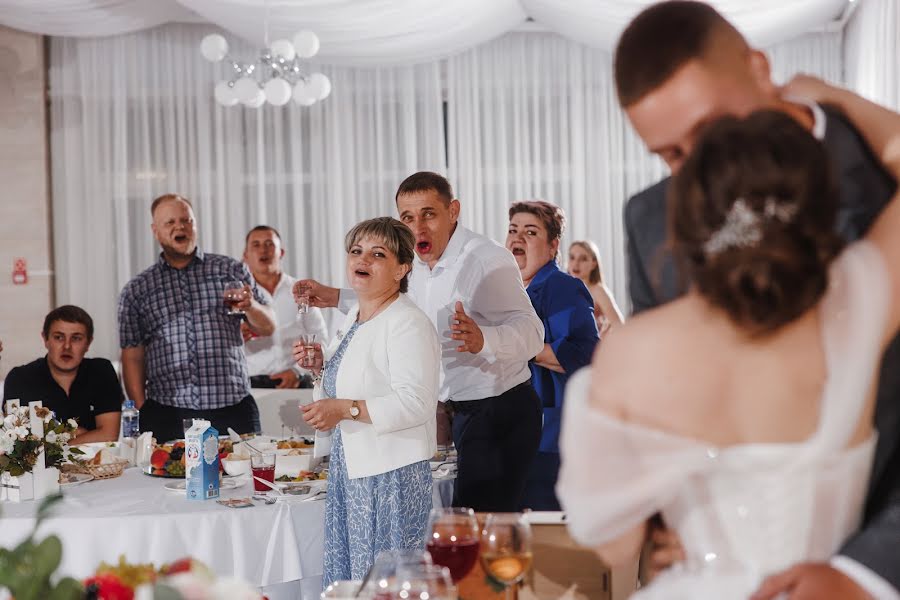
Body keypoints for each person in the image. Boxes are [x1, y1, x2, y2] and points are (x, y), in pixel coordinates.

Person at [559, 88, 900, 598]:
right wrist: (831, 99)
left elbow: (614, 543)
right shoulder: (859, 299)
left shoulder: (630, 355)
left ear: (685, 217)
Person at [295, 172, 545, 512]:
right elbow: (399, 301)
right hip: (447, 412)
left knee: (482, 532)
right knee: (450, 523)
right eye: (407, 217)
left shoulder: (487, 260)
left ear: (453, 211)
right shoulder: (412, 262)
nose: (418, 228)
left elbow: (533, 332)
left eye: (429, 214)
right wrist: (334, 297)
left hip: (498, 409)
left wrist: (484, 338)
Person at [293, 217, 440, 586]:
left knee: (385, 583)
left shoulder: (407, 322)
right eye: (356, 251)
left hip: (391, 474)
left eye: (378, 254)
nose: (363, 260)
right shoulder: (356, 316)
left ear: (402, 268)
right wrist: (320, 370)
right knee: (354, 578)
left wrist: (345, 409)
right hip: (354, 467)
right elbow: (354, 380)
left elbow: (416, 403)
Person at [117, 194, 276, 443]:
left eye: (186, 220)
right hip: (168, 413)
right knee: (164, 481)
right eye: (170, 222)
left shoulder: (231, 270)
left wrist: (252, 306)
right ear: (155, 231)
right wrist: (142, 408)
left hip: (233, 407)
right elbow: (132, 355)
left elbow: (268, 326)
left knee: (247, 479)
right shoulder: (137, 289)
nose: (180, 227)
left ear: (195, 225)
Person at [506, 201, 599, 511]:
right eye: (512, 230)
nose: (518, 238)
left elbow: (583, 356)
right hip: (513, 435)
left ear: (553, 245)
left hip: (549, 440)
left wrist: (505, 343)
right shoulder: (506, 290)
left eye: (530, 232)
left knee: (545, 542)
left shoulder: (560, 287)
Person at [4, 305, 121, 443]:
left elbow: (109, 435)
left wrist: (53, 441)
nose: (67, 346)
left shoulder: (102, 371)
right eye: (59, 337)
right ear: (45, 339)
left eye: (76, 338)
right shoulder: (20, 378)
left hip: (96, 463)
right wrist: (76, 436)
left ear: (88, 343)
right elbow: (14, 443)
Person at [242, 225, 328, 389]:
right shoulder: (239, 297)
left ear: (281, 252)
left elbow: (319, 338)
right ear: (246, 255)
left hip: (298, 382)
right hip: (251, 384)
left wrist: (298, 371)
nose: (263, 250)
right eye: (256, 245)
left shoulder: (301, 290)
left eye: (269, 244)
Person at [567, 240, 625, 334]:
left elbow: (619, 326)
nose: (576, 263)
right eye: (572, 257)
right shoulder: (564, 289)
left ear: (593, 264)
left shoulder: (598, 291)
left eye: (583, 259)